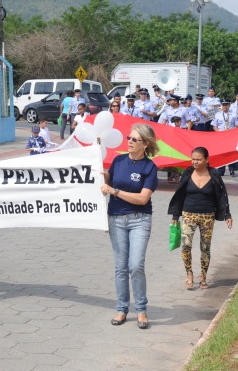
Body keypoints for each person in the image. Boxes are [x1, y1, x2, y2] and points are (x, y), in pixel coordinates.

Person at [100, 124, 159, 329]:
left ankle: (141, 309)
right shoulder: (118, 160)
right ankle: (122, 308)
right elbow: (109, 178)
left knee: (136, 265)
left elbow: (143, 199)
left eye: (135, 139)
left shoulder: (149, 167)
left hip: (139, 220)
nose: (130, 141)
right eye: (129, 137)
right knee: (120, 267)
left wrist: (114, 191)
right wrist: (99, 171)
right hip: (116, 218)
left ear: (145, 144)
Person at [167, 147, 232, 290]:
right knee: (186, 245)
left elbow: (222, 195)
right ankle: (189, 274)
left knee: (205, 248)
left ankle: (203, 276)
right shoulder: (187, 173)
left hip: (207, 216)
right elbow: (180, 195)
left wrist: (227, 214)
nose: (195, 162)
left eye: (199, 159)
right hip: (188, 214)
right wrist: (175, 215)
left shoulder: (214, 174)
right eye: (193, 159)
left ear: (206, 160)